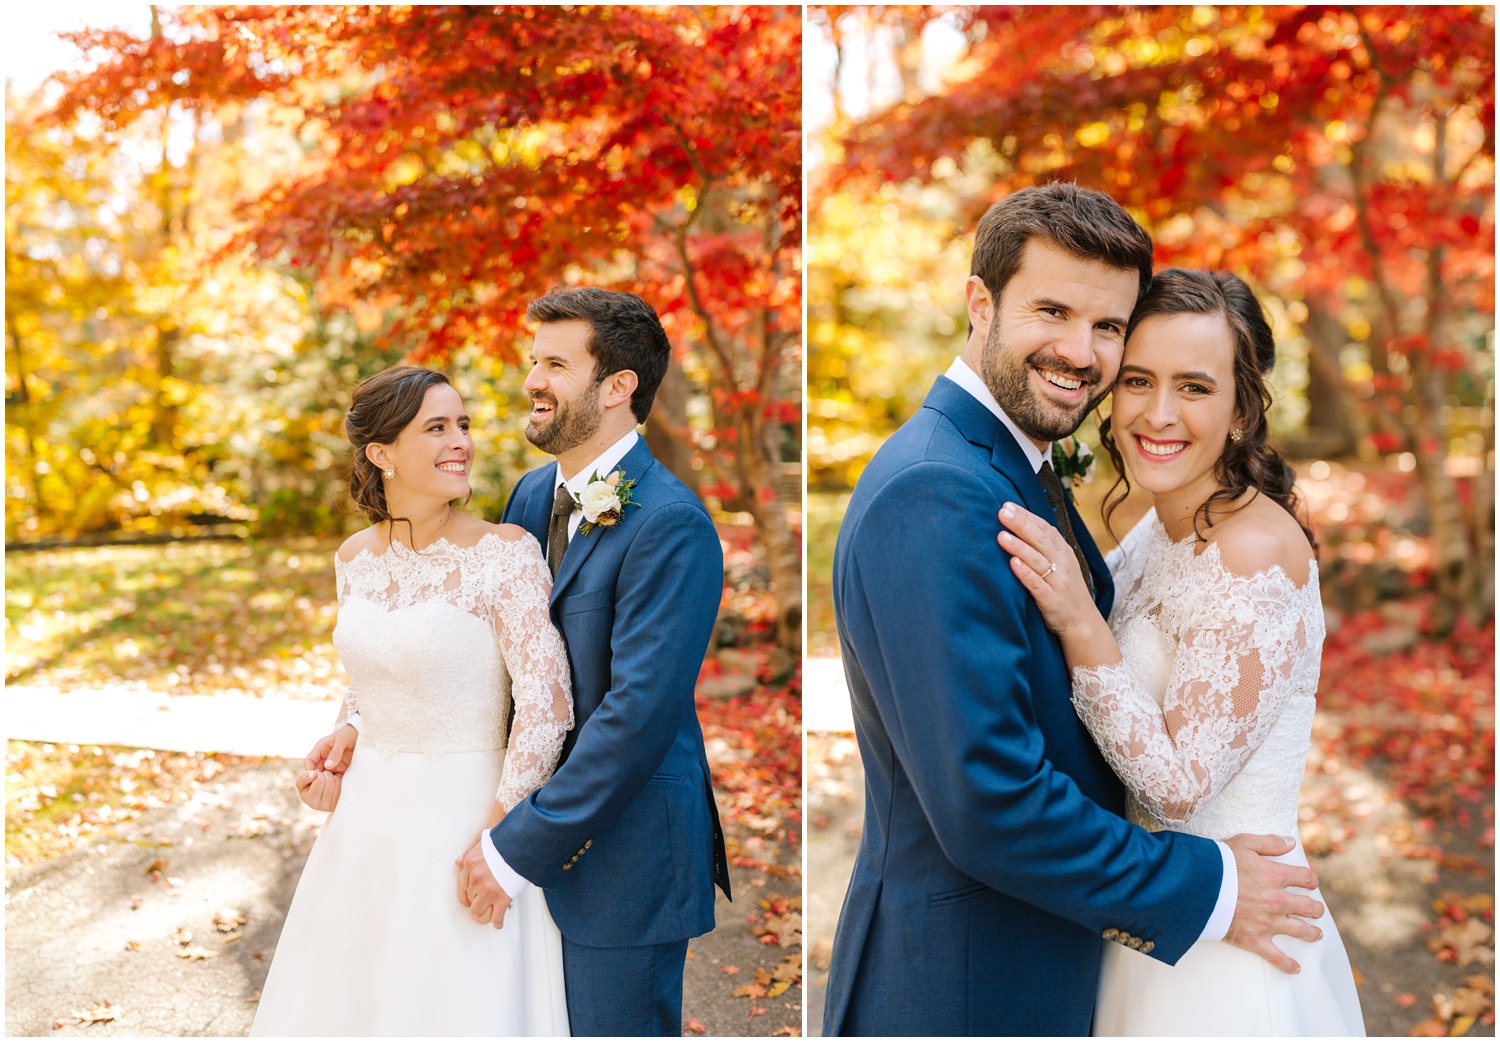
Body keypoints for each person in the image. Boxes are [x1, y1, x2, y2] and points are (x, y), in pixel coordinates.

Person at [822, 183, 1326, 1037]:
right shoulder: (939, 491)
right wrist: (1206, 889)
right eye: (1051, 310)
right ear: (980, 303)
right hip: (968, 983)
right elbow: (989, 801)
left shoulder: (1018, 466)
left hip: (1078, 956)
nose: (1079, 352)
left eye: (1106, 328)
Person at [996, 267, 1365, 1034]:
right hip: (1155, 916)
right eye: (1138, 380)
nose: (1158, 413)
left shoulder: (1256, 554)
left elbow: (1177, 786)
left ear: (1240, 410)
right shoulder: (1158, 526)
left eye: (1194, 387)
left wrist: (1080, 623)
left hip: (1230, 945)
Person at [251, 366, 573, 1036]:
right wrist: (347, 730)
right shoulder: (354, 560)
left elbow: (546, 708)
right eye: (436, 427)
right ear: (381, 452)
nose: (460, 441)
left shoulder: (505, 556)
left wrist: (498, 837)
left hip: (466, 819)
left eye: (462, 425)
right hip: (367, 827)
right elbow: (375, 674)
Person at [453, 287, 732, 1036]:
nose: (531, 381)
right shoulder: (530, 493)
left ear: (617, 387)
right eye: (532, 362)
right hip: (517, 817)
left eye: (554, 364)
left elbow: (636, 719)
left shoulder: (673, 525)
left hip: (624, 859)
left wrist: (517, 847)